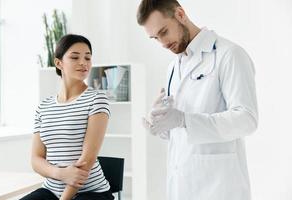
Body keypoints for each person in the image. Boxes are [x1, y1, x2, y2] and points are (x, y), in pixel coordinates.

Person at [137, 0, 258, 200]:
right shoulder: (173, 67)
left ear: (180, 14)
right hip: (181, 186)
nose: (162, 43)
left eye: (164, 32)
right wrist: (161, 125)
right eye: (155, 38)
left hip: (219, 188)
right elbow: (181, 131)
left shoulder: (229, 55)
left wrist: (184, 119)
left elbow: (247, 120)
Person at [20, 34, 114, 200]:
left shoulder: (97, 99)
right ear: (58, 63)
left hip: (91, 192)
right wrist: (61, 174)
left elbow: (87, 160)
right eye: (75, 57)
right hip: (51, 190)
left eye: (88, 57)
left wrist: (64, 198)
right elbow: (36, 159)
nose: (83, 62)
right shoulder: (44, 107)